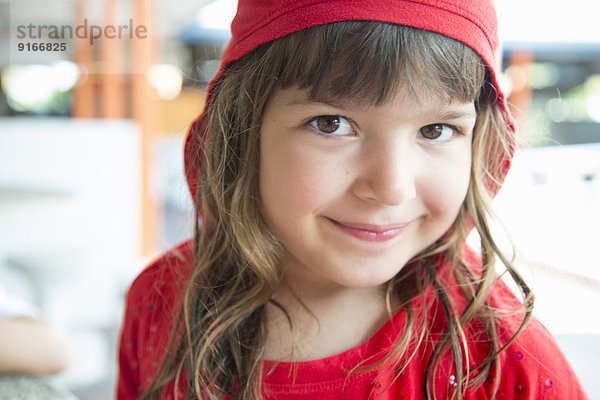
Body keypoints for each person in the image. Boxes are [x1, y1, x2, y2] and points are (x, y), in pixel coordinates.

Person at [117, 0, 589, 399]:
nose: (392, 187)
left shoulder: (505, 362)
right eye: (331, 124)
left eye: (436, 130)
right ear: (241, 137)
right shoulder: (163, 303)